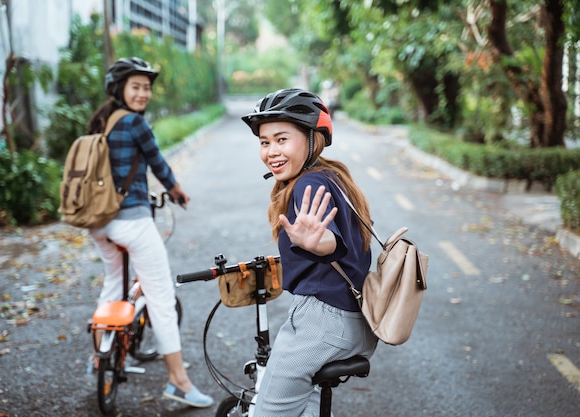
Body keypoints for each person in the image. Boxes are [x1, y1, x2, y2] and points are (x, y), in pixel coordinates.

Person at [241, 88, 378, 416]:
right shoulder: (333, 176)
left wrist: (319, 244)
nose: (271, 151)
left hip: (322, 323)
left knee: (267, 411)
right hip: (357, 322)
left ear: (312, 138)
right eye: (264, 142)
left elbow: (330, 240)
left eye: (282, 139)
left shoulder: (307, 185)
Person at [87, 57, 213, 408]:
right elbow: (157, 162)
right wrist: (176, 191)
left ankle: (99, 357)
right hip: (132, 222)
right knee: (160, 297)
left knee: (113, 285)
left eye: (146, 87)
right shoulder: (135, 123)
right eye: (136, 86)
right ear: (119, 89)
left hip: (99, 223)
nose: (143, 93)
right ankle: (179, 382)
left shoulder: (101, 121)